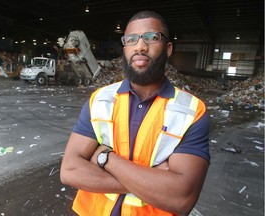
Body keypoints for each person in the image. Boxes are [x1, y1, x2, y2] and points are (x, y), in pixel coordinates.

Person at [60, 10, 210, 216]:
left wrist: (105, 158)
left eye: (151, 37)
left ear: (168, 49)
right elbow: (69, 171)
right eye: (131, 39)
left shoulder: (191, 111)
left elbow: (181, 198)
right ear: (124, 48)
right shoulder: (101, 100)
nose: (140, 46)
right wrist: (152, 184)